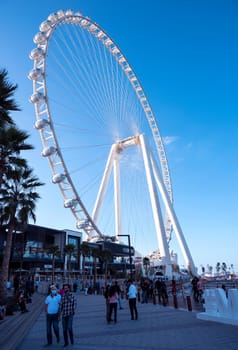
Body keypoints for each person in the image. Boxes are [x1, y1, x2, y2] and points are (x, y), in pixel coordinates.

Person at [59, 283, 77, 347]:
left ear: (69, 288)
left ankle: (71, 339)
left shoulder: (72, 295)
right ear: (63, 289)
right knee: (64, 329)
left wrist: (73, 310)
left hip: (70, 314)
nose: (66, 289)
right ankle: (66, 342)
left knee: (69, 327)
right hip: (64, 315)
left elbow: (75, 303)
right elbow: (60, 306)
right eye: (64, 288)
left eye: (67, 288)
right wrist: (59, 315)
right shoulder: (62, 296)